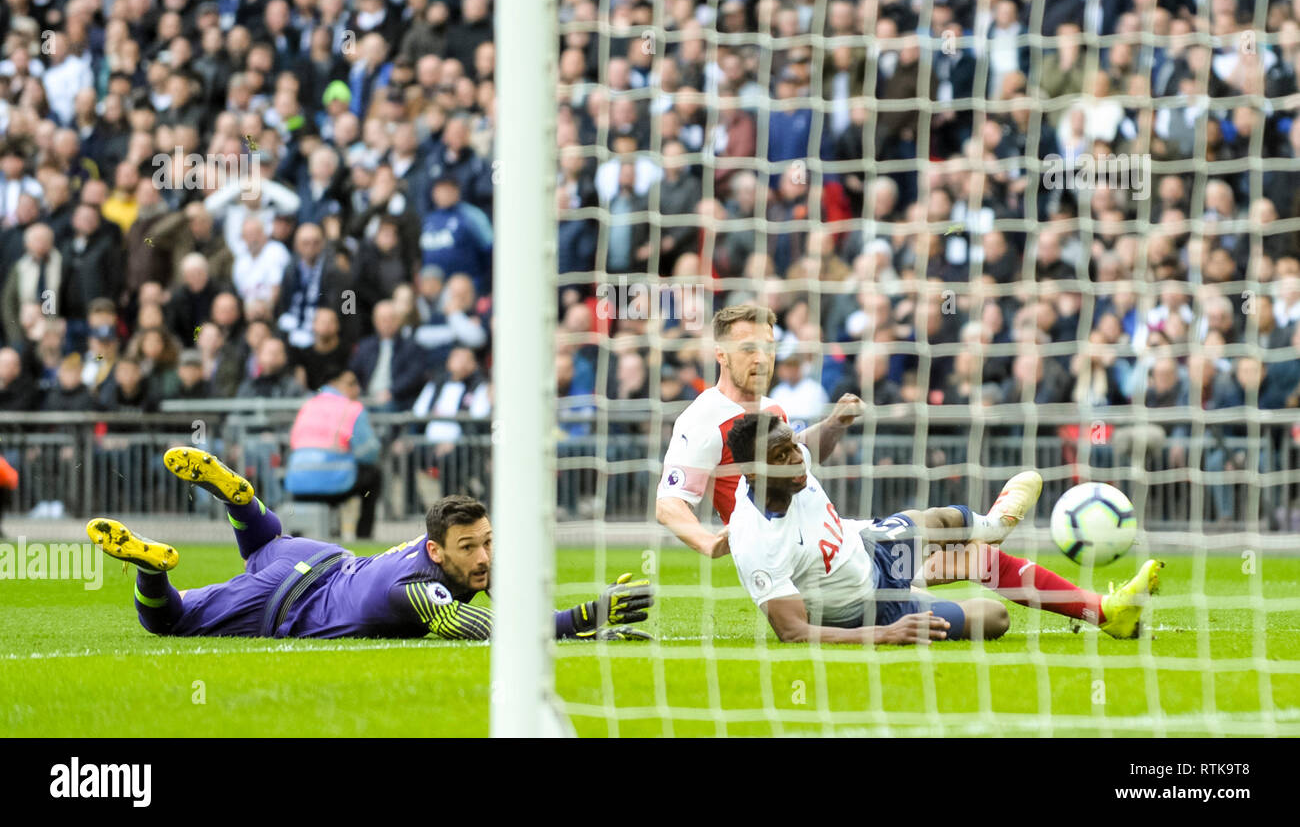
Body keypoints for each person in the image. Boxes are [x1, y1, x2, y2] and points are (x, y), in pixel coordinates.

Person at [87, 447, 652, 640]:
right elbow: (489, 633)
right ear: (437, 552)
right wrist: (583, 617)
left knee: (265, 543)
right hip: (288, 598)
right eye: (470, 548)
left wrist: (589, 618)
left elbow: (520, 611)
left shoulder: (458, 554)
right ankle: (153, 569)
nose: (483, 557)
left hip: (313, 557)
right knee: (168, 622)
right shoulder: (418, 589)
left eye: (486, 543)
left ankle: (241, 500)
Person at [724, 412, 1163, 643]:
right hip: (867, 612)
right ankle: (948, 568)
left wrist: (838, 419)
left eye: (793, 447)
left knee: (940, 525)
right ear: (752, 470)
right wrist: (885, 634)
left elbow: (813, 442)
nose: (797, 458)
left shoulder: (796, 465)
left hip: (868, 548)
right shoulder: (756, 541)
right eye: (781, 456)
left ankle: (1104, 611)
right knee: (994, 618)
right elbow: (793, 632)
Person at [656, 303, 866, 557]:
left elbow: (801, 457)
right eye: (748, 349)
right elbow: (668, 503)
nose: (761, 358)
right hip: (783, 553)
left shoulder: (772, 408)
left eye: (768, 348)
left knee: (925, 526)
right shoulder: (703, 418)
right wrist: (708, 543)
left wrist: (835, 422)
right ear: (721, 355)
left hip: (823, 534)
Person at [283, 368, 382, 538]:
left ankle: (295, 541)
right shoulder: (351, 408)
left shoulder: (308, 405)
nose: (357, 389)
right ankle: (364, 537)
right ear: (334, 384)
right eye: (352, 384)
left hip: (298, 481)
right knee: (374, 475)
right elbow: (369, 451)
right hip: (335, 483)